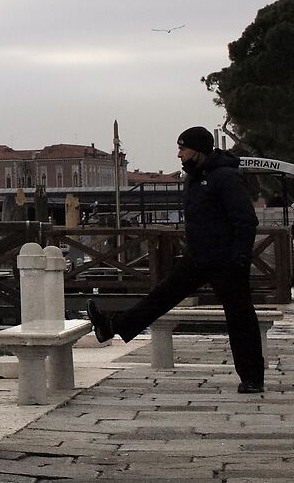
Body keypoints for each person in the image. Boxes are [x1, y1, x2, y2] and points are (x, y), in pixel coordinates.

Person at [89, 128, 265, 392]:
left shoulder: (226, 177)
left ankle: (252, 378)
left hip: (227, 262)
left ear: (198, 150)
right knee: (161, 296)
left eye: (183, 149)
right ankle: (111, 327)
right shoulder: (193, 179)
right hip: (198, 257)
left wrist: (239, 258)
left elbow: (246, 221)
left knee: (240, 318)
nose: (179, 154)